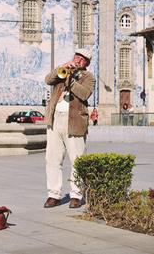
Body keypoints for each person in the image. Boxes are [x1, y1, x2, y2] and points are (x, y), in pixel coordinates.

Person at [43, 48, 95, 209]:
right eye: (77, 57)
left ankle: (76, 195)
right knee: (52, 159)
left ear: (86, 63)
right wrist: (62, 68)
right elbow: (48, 80)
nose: (78, 60)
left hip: (75, 122)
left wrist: (70, 81)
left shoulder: (88, 77)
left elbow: (84, 94)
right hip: (55, 119)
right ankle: (54, 194)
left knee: (77, 160)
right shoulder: (63, 71)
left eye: (82, 59)